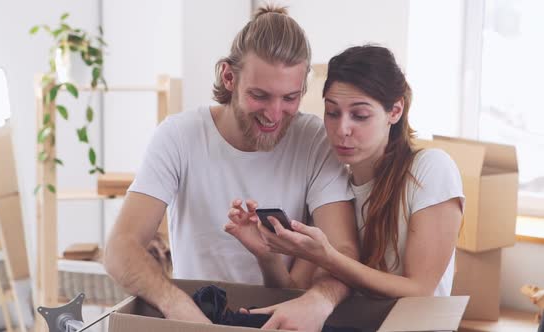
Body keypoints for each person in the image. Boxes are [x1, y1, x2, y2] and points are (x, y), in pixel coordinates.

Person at [104, 5, 359, 331]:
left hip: (289, 318)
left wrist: (319, 300)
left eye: (290, 98)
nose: (275, 114)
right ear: (228, 77)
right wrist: (177, 304)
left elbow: (344, 248)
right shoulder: (180, 136)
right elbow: (120, 247)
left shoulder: (314, 140)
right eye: (260, 95)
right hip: (198, 317)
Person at [227, 45, 464, 300]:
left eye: (360, 115)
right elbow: (293, 289)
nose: (342, 129)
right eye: (332, 112)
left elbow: (420, 290)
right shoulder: (333, 189)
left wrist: (328, 257)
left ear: (394, 111)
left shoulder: (430, 170)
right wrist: (267, 256)